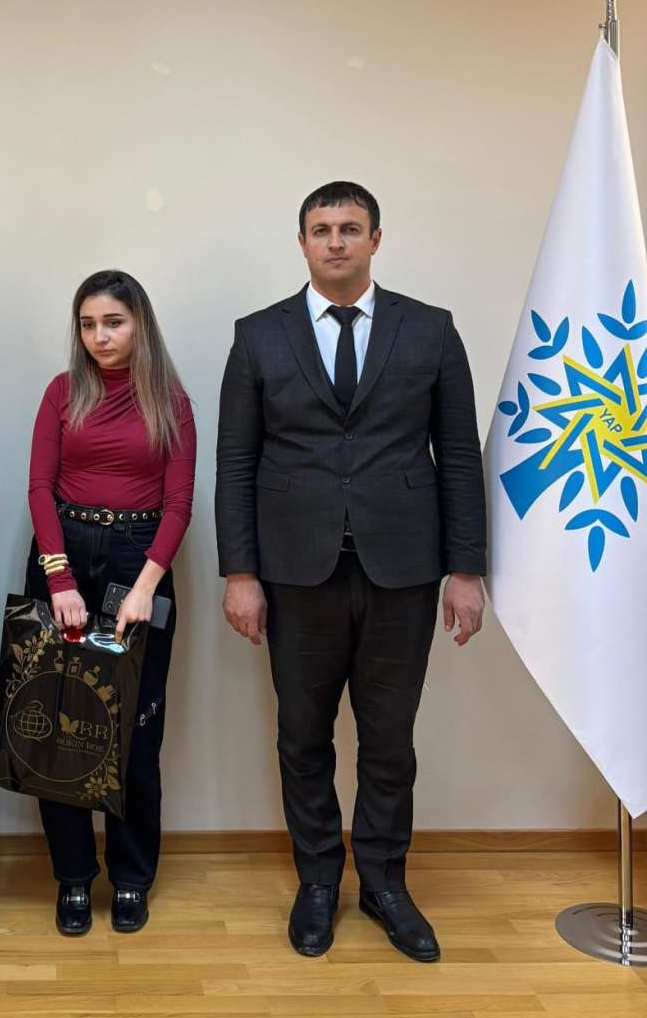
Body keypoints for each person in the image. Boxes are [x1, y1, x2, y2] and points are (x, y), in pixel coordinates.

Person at [216, 181, 486, 962]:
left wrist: (466, 568)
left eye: (350, 227)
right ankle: (317, 881)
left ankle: (384, 883)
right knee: (302, 735)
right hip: (295, 573)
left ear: (376, 239)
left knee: (389, 739)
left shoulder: (430, 330)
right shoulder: (258, 335)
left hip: (404, 570)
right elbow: (236, 462)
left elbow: (457, 456)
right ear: (302, 242)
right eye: (321, 228)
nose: (335, 240)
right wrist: (240, 572)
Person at [25, 269, 196, 936]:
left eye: (113, 322)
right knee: (58, 728)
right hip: (64, 555)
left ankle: (131, 876)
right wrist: (59, 579)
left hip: (139, 561)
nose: (100, 336)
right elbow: (39, 488)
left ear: (139, 324)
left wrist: (147, 586)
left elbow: (178, 503)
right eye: (89, 324)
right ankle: (73, 876)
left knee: (134, 729)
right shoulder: (61, 392)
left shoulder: (171, 401)